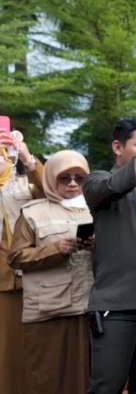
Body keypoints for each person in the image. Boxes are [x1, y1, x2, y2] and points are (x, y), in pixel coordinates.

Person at [8, 150, 94, 393]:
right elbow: (16, 257)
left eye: (80, 178)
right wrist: (55, 249)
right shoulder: (33, 212)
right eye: (64, 178)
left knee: (87, 378)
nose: (73, 184)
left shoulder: (96, 209)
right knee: (46, 377)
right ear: (51, 178)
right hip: (48, 311)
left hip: (88, 309)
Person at [83, 117, 136, 394]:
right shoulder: (97, 182)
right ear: (117, 146)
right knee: (106, 387)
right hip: (117, 307)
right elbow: (111, 186)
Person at [0, 130, 43, 394]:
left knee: (16, 351)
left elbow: (47, 188)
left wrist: (27, 156)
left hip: (20, 278)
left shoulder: (19, 185)